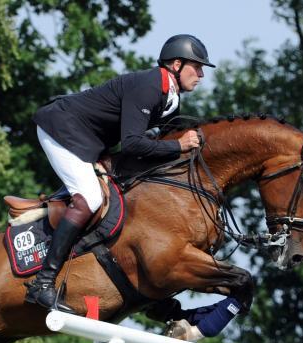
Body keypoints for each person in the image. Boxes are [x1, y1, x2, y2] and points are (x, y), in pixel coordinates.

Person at [26, 34, 214, 314]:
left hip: (88, 140)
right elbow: (133, 144)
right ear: (176, 64)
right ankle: (42, 283)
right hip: (61, 130)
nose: (200, 74)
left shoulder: (170, 98)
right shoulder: (150, 85)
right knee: (89, 198)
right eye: (196, 67)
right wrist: (179, 145)